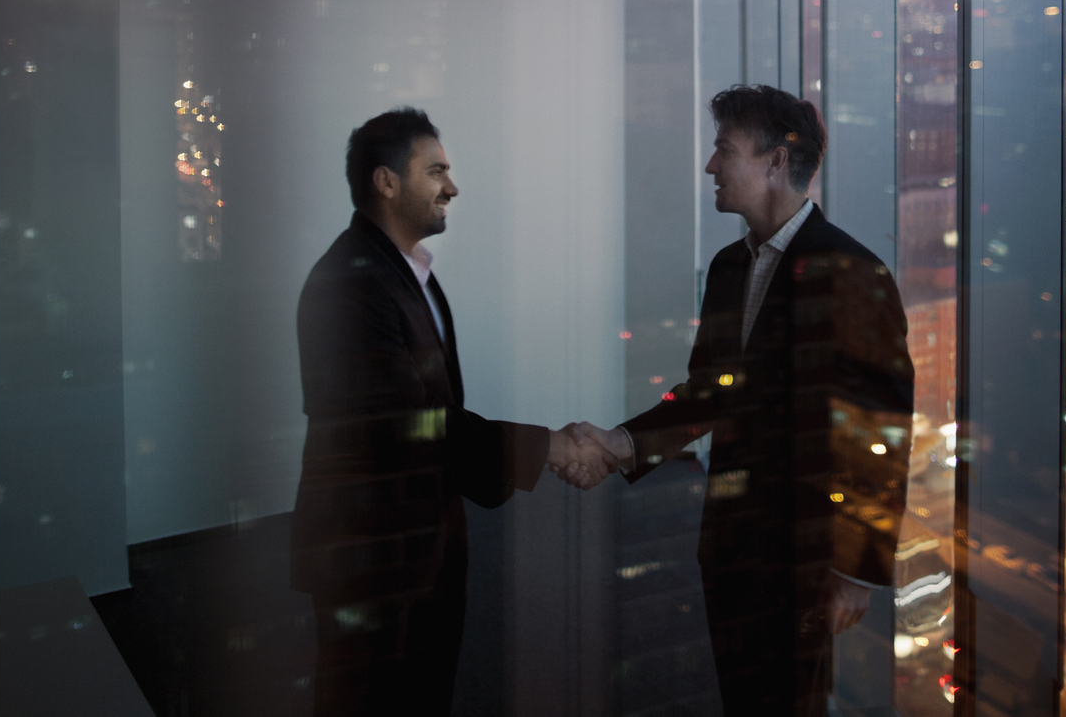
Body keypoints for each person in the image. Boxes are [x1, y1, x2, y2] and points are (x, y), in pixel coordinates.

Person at [578, 85, 914, 716]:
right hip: (732, 550)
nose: (710, 166)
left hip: (805, 564)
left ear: (775, 162)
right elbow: (708, 393)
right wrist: (621, 444)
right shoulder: (731, 268)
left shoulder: (852, 274)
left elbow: (884, 429)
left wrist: (855, 568)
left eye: (722, 150)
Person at [290, 107, 616, 716]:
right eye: (435, 170)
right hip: (374, 565)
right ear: (386, 182)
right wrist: (552, 447)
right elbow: (406, 429)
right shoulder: (352, 285)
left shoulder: (409, 276)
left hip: (417, 554)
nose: (452, 187)